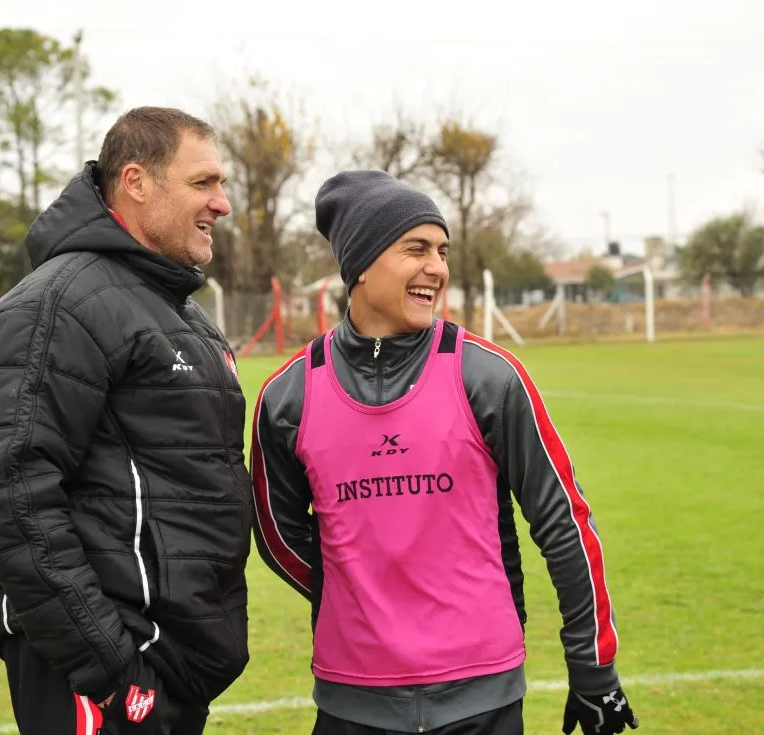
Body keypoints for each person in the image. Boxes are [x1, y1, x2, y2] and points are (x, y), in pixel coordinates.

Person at [251, 170, 639, 735]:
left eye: (442, 251)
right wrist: (358, 590)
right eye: (416, 248)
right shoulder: (289, 395)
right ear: (360, 264)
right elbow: (277, 533)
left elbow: (566, 523)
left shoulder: (489, 377)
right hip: (351, 701)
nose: (436, 267)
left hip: (483, 699)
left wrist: (594, 670)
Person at [0, 107, 253, 735]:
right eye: (203, 182)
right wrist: (112, 668)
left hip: (170, 660)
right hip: (104, 670)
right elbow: (13, 500)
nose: (223, 203)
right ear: (136, 181)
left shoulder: (183, 317)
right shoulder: (56, 305)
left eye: (222, 184)